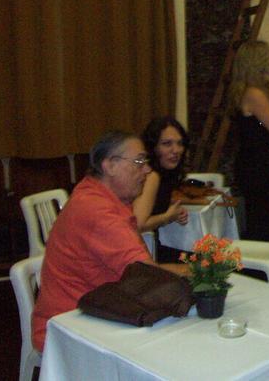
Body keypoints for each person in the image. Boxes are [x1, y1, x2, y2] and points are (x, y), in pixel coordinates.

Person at [31, 130, 187, 352]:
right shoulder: (97, 211)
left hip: (99, 307)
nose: (147, 170)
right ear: (110, 165)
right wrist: (199, 271)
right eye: (139, 162)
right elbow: (148, 277)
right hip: (69, 326)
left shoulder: (95, 192)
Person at [229, 40, 269, 241]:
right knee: (264, 223)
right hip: (257, 170)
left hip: (257, 168)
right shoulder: (255, 93)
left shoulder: (250, 91)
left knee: (263, 219)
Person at [132, 116, 190, 263]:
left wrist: (172, 211)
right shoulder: (152, 176)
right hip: (142, 254)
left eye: (180, 144)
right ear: (153, 147)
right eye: (167, 144)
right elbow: (137, 224)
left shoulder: (161, 174)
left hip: (150, 248)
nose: (176, 150)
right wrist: (167, 217)